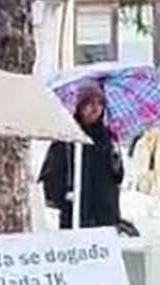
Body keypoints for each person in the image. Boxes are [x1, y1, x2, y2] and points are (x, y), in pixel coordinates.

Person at [40, 82, 123, 229]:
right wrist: (64, 195)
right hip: (75, 217)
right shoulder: (67, 138)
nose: (95, 108)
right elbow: (50, 177)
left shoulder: (108, 138)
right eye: (89, 103)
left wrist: (116, 161)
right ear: (79, 106)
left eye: (99, 103)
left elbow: (117, 177)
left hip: (105, 218)